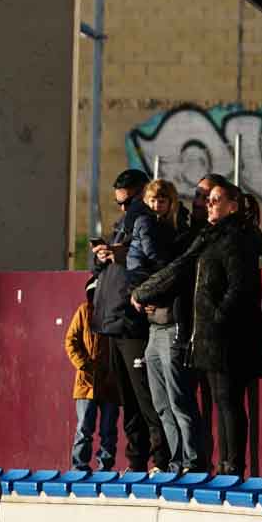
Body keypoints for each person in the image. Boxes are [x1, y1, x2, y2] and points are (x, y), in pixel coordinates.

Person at [135, 180, 262, 477]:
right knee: (222, 402)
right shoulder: (212, 236)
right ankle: (225, 465)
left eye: (216, 199)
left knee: (229, 403)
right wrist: (144, 291)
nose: (208, 203)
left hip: (229, 337)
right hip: (213, 336)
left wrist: (217, 319)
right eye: (208, 199)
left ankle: (232, 467)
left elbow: (239, 287)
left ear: (233, 205)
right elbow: (183, 267)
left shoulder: (235, 238)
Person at [90, 168, 170, 471]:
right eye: (120, 204)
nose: (124, 209)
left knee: (146, 398)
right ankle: (137, 461)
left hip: (131, 321)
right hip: (114, 321)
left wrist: (122, 259)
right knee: (129, 401)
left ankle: (160, 460)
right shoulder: (123, 225)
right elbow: (107, 275)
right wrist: (103, 259)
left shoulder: (144, 223)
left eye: (127, 203)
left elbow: (158, 265)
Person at [131, 178, 205, 471]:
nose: (156, 205)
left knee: (179, 400)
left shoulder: (181, 234)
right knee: (161, 403)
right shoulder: (146, 229)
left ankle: (193, 461)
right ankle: (177, 461)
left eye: (162, 200)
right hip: (153, 326)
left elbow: (173, 275)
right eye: (152, 200)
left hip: (173, 324)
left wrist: (147, 291)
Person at [64, 277, 120, 472]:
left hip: (110, 382)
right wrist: (84, 365)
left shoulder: (116, 314)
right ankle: (79, 467)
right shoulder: (83, 312)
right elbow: (71, 341)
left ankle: (105, 468)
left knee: (108, 430)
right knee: (84, 429)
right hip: (86, 382)